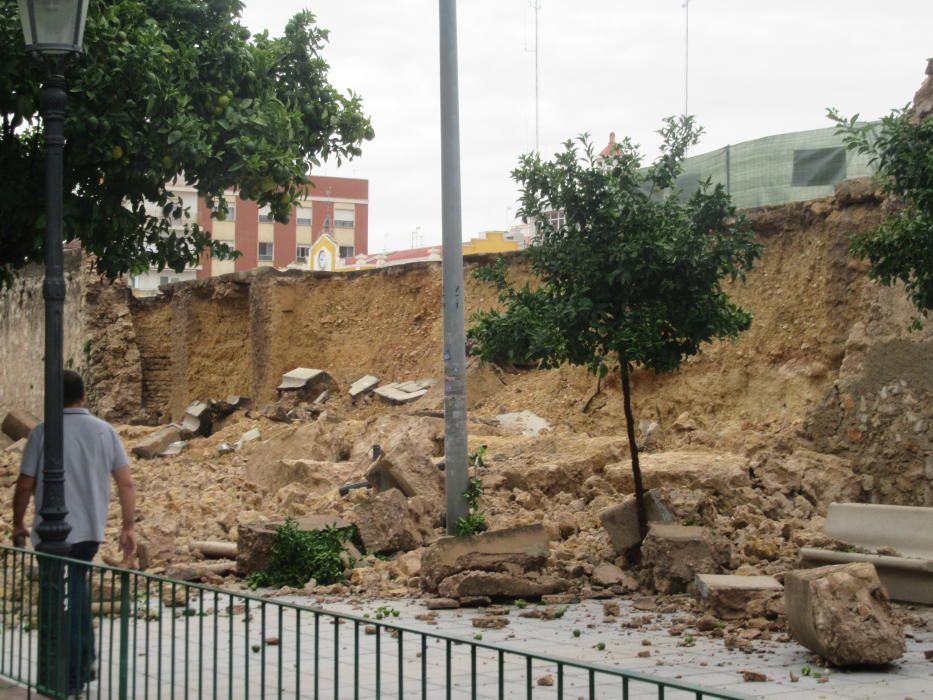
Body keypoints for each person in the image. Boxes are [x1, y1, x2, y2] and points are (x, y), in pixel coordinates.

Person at [11, 370, 136, 695]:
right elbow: (125, 482)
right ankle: (84, 658)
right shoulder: (105, 432)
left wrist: (18, 523)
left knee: (64, 596)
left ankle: (70, 670)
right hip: (91, 529)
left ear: (53, 398)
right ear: (84, 396)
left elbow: (25, 485)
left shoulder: (43, 433)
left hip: (53, 533)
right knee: (75, 588)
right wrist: (128, 526)